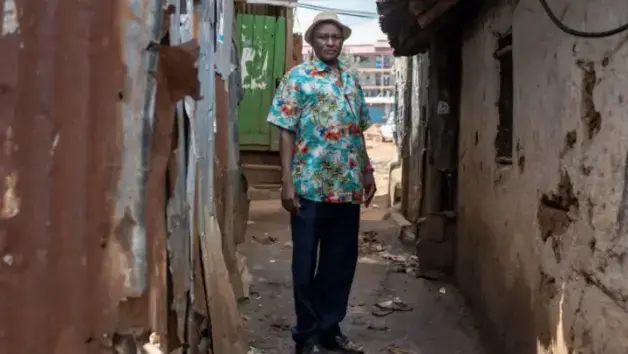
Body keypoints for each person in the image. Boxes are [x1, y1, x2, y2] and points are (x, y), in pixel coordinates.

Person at [266, 11, 376, 354]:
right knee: (304, 266)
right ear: (312, 41)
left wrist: (368, 170)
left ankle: (330, 329)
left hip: (346, 187)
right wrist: (286, 180)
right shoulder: (296, 79)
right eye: (324, 36)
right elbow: (285, 129)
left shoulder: (351, 80)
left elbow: (357, 130)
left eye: (336, 37)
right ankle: (305, 336)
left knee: (340, 264)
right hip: (309, 186)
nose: (331, 42)